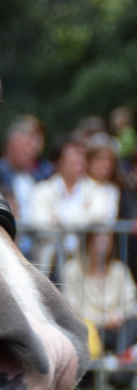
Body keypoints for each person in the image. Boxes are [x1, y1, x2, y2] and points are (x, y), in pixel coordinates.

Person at [29, 137, 119, 274]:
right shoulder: (42, 190)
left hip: (83, 263)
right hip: (50, 263)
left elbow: (99, 218)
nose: (79, 163)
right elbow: (39, 224)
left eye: (81, 158)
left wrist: (60, 220)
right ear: (60, 162)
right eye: (73, 159)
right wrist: (83, 217)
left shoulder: (97, 190)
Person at [62, 229, 137, 363]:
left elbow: (130, 301)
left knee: (134, 323)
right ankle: (117, 372)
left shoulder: (119, 270)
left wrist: (118, 315)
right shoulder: (72, 270)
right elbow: (72, 307)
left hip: (117, 329)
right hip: (89, 328)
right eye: (98, 234)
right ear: (88, 239)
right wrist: (104, 319)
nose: (103, 239)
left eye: (107, 235)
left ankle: (117, 367)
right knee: (88, 330)